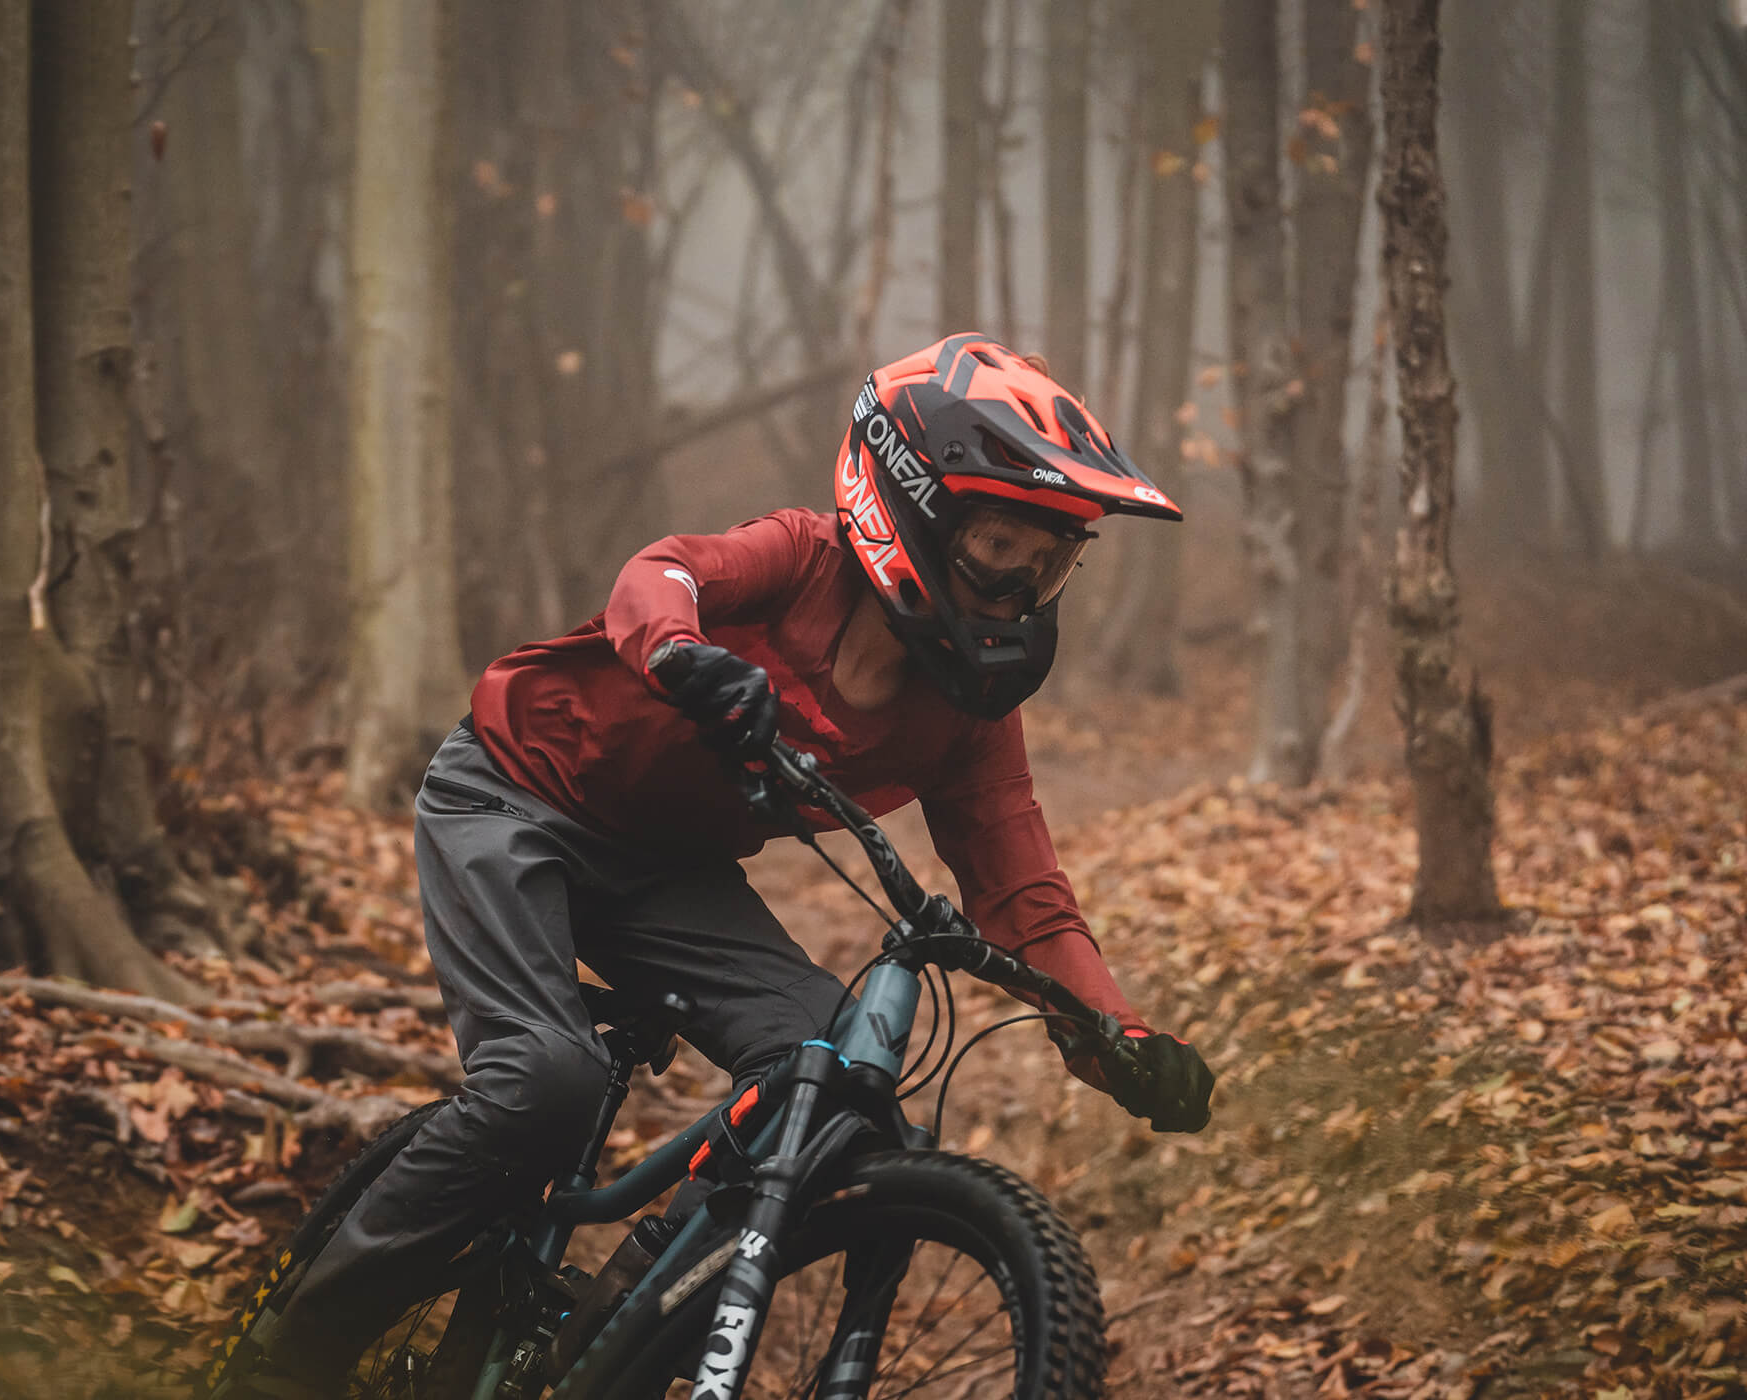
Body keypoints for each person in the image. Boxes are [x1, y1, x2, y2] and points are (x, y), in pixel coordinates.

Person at [244, 334, 1214, 1393]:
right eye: (1000, 547)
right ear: (912, 504)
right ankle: (280, 1361)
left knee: (841, 1082)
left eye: (1049, 561)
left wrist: (1117, 1035)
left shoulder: (965, 712)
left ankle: (619, 1328)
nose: (1020, 587)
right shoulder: (801, 560)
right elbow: (660, 573)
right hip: (513, 793)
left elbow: (1023, 892)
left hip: (667, 868)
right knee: (543, 1082)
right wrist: (680, 652)